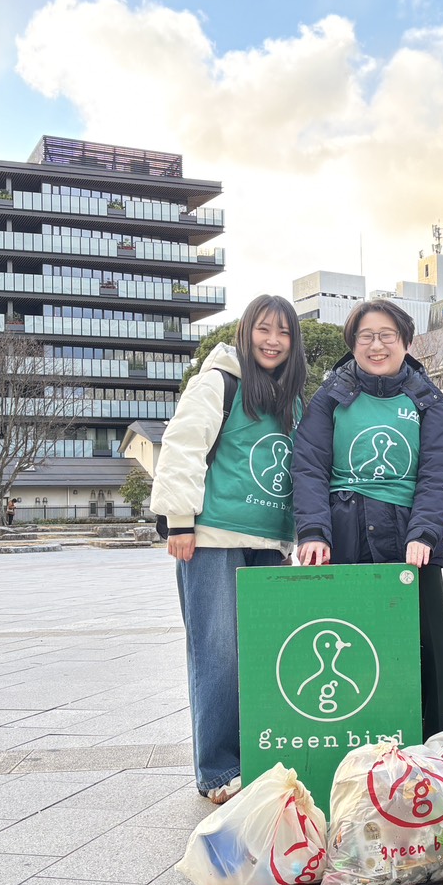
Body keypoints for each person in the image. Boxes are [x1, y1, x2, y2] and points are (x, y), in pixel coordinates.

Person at [150, 294, 307, 804]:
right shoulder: (218, 380)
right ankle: (218, 769)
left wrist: (298, 537)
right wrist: (177, 520)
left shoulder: (292, 398)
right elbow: (182, 446)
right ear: (246, 331)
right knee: (217, 652)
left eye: (283, 333)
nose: (273, 340)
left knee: (263, 657)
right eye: (264, 329)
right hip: (213, 537)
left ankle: (256, 757)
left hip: (268, 540)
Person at [291, 299, 443, 739]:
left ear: (405, 341)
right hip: (342, 533)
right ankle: (349, 736)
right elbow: (309, 465)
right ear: (353, 344)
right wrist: (312, 530)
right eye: (366, 336)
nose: (376, 344)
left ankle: (437, 737)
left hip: (409, 539)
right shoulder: (329, 398)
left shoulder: (429, 401)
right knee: (347, 638)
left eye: (387, 335)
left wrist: (425, 532)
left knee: (428, 643)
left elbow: (439, 472)